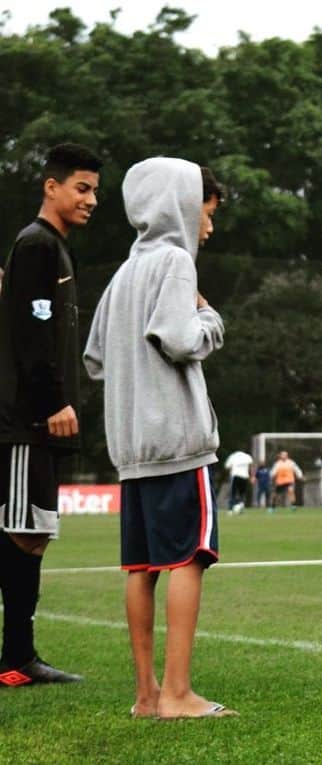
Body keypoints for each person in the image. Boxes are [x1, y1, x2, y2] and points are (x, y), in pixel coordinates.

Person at [83, 158, 235, 718]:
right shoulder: (174, 262)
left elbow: (96, 358)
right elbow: (178, 339)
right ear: (180, 204)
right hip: (175, 440)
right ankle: (178, 693)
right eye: (206, 212)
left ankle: (147, 695)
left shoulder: (124, 272)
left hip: (130, 447)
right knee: (188, 559)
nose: (208, 227)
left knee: (140, 567)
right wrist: (210, 319)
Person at [0, 143, 101, 686]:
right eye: (82, 188)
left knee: (31, 533)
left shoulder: (57, 250)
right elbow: (30, 334)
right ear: (51, 186)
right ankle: (16, 660)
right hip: (26, 421)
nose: (90, 200)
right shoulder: (36, 245)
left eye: (95, 192)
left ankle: (19, 655)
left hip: (42, 420)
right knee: (20, 531)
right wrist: (53, 400)